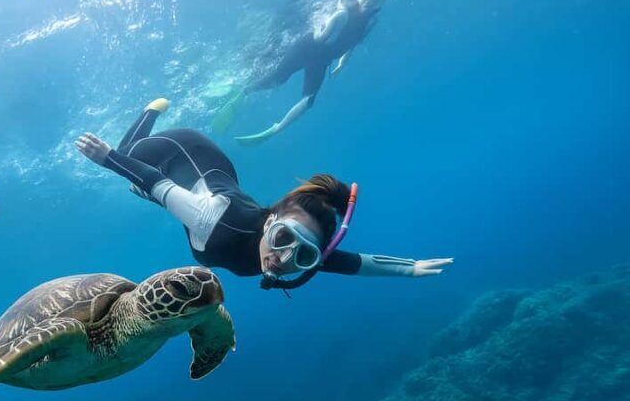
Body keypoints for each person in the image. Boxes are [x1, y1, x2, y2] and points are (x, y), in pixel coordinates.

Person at [76, 98, 451, 289]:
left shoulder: (298, 254)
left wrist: (410, 269)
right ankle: (150, 112)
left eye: (303, 255)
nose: (283, 258)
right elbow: (154, 181)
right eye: (283, 238)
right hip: (182, 150)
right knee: (130, 160)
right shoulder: (211, 220)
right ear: (272, 221)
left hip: (212, 182)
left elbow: (353, 262)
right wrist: (107, 158)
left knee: (147, 191)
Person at [214, 0, 391, 145]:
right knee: (278, 78)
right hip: (306, 49)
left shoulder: (366, 23)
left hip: (322, 60)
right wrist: (328, 28)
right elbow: (320, 38)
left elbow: (351, 46)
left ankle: (277, 128)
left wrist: (341, 64)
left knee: (309, 100)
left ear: (379, 5)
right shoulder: (342, 14)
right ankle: (243, 92)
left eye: (375, 0)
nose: (369, 1)